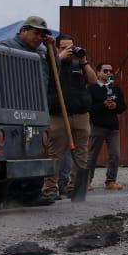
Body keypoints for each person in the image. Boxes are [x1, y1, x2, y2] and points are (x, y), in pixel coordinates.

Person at [0, 16, 56, 205]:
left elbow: (55, 72)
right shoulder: (6, 47)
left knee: (36, 149)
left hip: (37, 108)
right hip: (15, 107)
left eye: (42, 35)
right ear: (23, 30)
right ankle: (9, 194)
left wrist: (51, 49)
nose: (39, 38)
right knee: (13, 151)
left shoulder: (41, 51)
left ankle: (31, 193)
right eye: (35, 33)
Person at [46, 34, 97, 199]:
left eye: (71, 47)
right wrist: (58, 58)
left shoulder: (78, 63)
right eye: (64, 47)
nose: (69, 51)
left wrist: (84, 61)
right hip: (58, 115)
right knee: (55, 154)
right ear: (57, 48)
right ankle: (50, 189)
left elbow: (93, 81)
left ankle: (76, 187)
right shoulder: (51, 63)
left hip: (80, 114)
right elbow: (45, 78)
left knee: (81, 153)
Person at [87, 63, 127, 190]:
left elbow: (123, 107)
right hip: (98, 126)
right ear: (98, 73)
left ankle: (111, 181)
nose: (108, 73)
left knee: (115, 154)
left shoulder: (115, 89)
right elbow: (89, 108)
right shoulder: (92, 89)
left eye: (110, 71)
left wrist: (115, 106)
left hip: (113, 127)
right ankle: (86, 181)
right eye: (105, 71)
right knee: (92, 155)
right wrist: (103, 105)